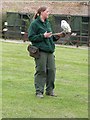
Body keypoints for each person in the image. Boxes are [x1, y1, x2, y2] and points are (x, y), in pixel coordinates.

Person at [28, 6, 65, 98]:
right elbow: (31, 37)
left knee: (52, 70)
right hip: (40, 51)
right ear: (41, 12)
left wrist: (59, 36)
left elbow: (50, 37)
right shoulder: (35, 24)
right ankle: (39, 91)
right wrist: (42, 36)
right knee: (41, 71)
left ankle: (49, 90)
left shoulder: (47, 23)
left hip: (50, 51)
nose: (49, 13)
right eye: (47, 11)